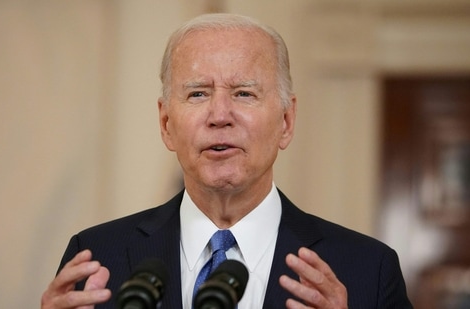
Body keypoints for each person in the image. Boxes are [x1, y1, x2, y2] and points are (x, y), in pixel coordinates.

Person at [41, 13, 413, 309]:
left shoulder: (367, 270)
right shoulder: (96, 260)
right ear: (166, 123)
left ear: (286, 121)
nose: (220, 115)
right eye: (198, 93)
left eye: (244, 93)